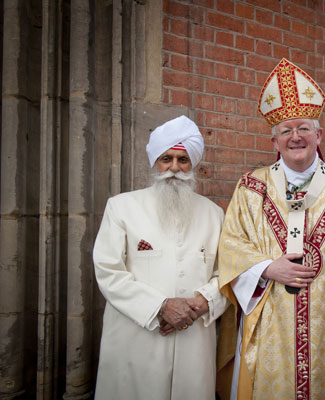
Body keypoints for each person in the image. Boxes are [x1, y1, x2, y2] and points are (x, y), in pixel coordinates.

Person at [216, 58, 325, 400]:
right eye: (286, 131)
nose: (295, 137)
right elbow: (231, 246)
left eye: (304, 128)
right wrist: (267, 268)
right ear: (274, 141)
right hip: (271, 322)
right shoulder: (251, 189)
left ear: (319, 135)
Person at [93, 115, 228, 399]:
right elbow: (108, 270)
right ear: (155, 162)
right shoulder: (121, 207)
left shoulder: (213, 214)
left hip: (193, 338)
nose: (174, 168)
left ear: (192, 164)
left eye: (183, 160)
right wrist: (160, 306)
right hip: (137, 339)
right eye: (167, 159)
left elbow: (227, 273)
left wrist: (202, 303)